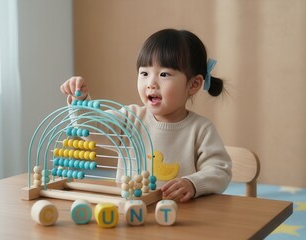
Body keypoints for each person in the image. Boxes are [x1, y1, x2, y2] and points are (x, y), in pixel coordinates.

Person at [60, 28, 232, 202]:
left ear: (194, 84)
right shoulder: (131, 118)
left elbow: (219, 170)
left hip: (180, 216)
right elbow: (92, 129)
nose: (151, 83)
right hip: (130, 210)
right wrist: (79, 101)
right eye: (144, 73)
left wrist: (193, 184)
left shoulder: (201, 129)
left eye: (164, 74)